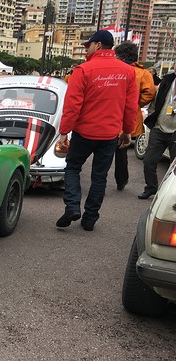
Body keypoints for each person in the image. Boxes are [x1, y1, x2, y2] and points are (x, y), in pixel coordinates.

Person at [55, 30, 138, 231]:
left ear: (98, 45)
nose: (86, 49)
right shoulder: (128, 72)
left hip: (84, 132)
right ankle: (90, 218)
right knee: (99, 177)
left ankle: (73, 206)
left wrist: (64, 132)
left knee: (73, 168)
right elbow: (130, 106)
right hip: (109, 134)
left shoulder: (83, 70)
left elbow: (72, 105)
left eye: (88, 45)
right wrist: (127, 131)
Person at [112, 41, 155, 191]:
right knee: (121, 152)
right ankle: (121, 180)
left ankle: (100, 179)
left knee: (103, 151)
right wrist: (136, 104)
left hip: (109, 115)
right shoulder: (143, 73)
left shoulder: (114, 69)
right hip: (127, 117)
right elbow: (150, 93)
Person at [137, 68, 176, 199]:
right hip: (159, 128)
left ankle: (169, 196)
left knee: (173, 168)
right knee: (149, 161)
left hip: (175, 131)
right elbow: (155, 99)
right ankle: (151, 187)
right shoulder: (167, 81)